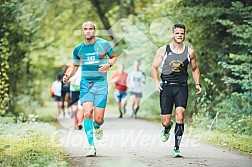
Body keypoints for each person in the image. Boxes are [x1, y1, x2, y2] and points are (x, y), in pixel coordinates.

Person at [63, 21, 117, 157]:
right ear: (82, 31)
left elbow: (113, 57)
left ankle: (98, 126)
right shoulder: (78, 49)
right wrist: (68, 74)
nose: (88, 31)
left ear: (94, 30)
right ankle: (91, 146)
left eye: (91, 29)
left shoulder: (103, 44)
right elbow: (74, 66)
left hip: (101, 84)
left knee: (98, 119)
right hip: (86, 84)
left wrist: (109, 65)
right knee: (87, 113)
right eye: (85, 29)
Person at [152, 24, 202, 157]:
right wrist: (157, 82)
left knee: (180, 114)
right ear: (172, 34)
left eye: (182, 33)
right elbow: (154, 67)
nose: (180, 35)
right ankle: (167, 127)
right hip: (166, 87)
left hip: (182, 87)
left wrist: (197, 83)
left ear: (184, 35)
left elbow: (194, 69)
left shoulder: (189, 52)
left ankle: (176, 147)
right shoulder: (163, 50)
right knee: (165, 121)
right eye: (177, 33)